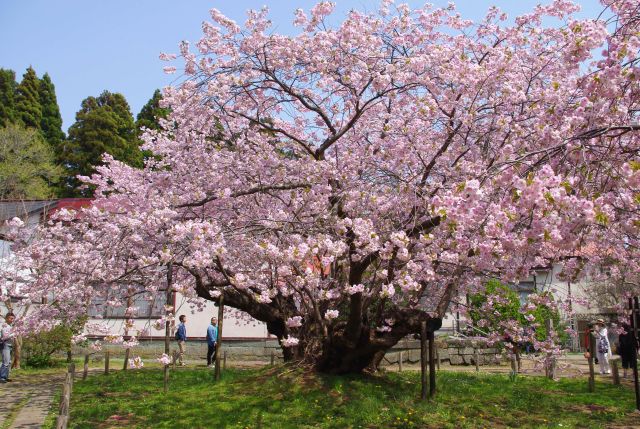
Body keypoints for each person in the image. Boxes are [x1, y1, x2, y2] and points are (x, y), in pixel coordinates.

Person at [0, 312, 15, 383]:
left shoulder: (10, 326)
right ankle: (2, 377)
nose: (12, 320)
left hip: (10, 344)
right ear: (6, 318)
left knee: (9, 362)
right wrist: (13, 334)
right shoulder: (4, 326)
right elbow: (4, 337)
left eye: (13, 319)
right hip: (5, 344)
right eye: (11, 318)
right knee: (5, 362)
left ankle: (5, 377)